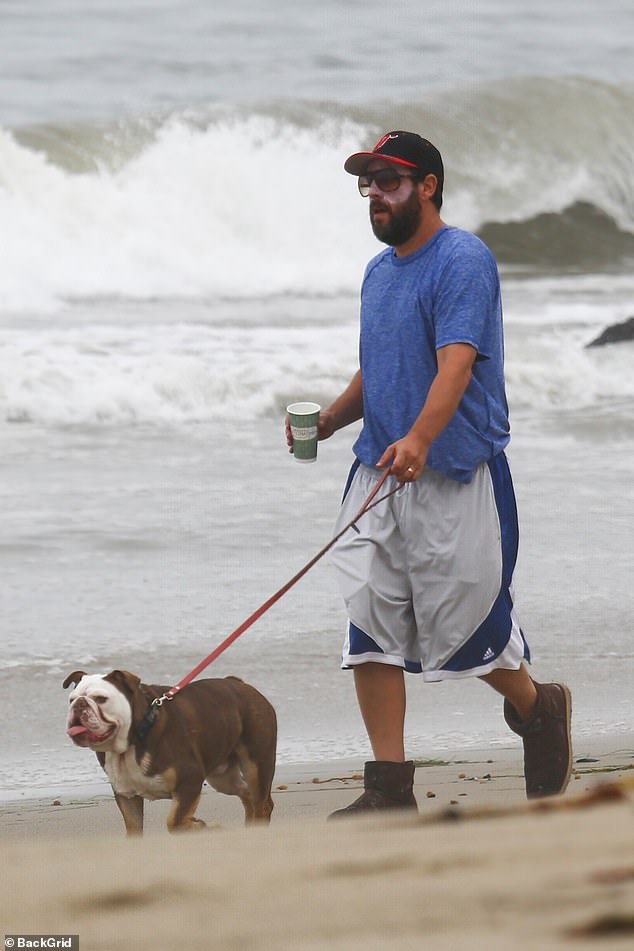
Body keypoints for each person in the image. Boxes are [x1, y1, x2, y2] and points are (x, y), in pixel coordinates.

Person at [286, 130, 572, 816]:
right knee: (370, 618)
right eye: (367, 184)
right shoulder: (378, 273)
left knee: (467, 624)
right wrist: (332, 419)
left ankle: (539, 708)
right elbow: (379, 365)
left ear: (428, 185)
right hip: (382, 470)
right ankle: (389, 787)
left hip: (453, 468)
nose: (375, 196)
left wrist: (421, 435)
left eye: (389, 182)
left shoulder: (462, 260)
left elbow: (457, 362)